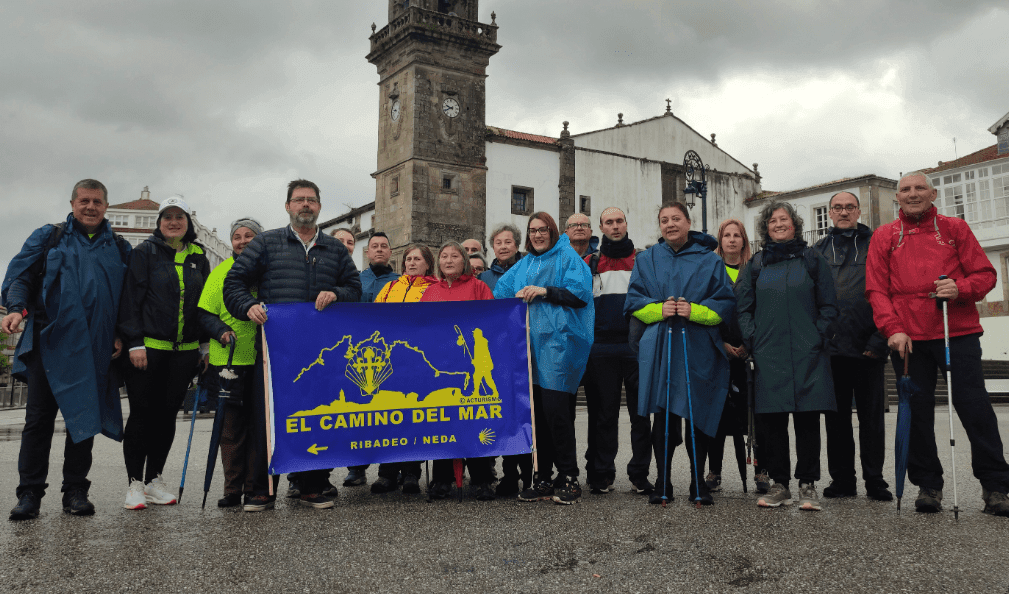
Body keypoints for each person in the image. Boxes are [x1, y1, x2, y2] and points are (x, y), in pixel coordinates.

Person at [866, 172, 1009, 516]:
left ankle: (996, 486)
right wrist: (892, 329)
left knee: (975, 408)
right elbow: (876, 289)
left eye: (919, 188)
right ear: (896, 198)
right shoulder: (885, 235)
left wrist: (961, 288)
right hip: (908, 338)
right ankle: (928, 484)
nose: (912, 194)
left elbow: (985, 274)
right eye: (905, 190)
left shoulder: (954, 229)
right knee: (916, 413)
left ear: (932, 194)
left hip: (955, 331)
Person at [224, 179, 362, 512]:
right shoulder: (267, 243)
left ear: (318, 206)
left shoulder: (333, 248)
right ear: (287, 206)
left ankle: (312, 486)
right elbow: (234, 283)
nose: (305, 205)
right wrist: (248, 306)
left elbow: (354, 288)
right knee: (266, 419)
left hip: (318, 353)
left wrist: (338, 294)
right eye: (298, 200)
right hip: (274, 351)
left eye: (311, 200)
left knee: (314, 418)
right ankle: (261, 490)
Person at [3, 179, 131, 520]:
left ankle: (75, 491)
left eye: (97, 202)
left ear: (107, 206)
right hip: (50, 342)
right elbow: (21, 277)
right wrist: (15, 307)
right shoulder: (49, 236)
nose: (91, 207)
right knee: (38, 421)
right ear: (73, 203)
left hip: (95, 346)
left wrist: (120, 332)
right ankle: (29, 494)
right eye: (84, 201)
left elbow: (129, 297)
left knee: (84, 419)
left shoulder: (119, 246)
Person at [624, 203, 735, 506]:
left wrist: (693, 311)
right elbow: (633, 301)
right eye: (664, 220)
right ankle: (663, 481)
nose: (670, 224)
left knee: (697, 415)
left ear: (688, 223)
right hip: (661, 345)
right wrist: (659, 310)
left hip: (697, 346)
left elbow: (725, 303)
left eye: (676, 219)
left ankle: (698, 481)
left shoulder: (710, 261)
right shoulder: (646, 259)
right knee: (663, 417)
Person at [735, 201, 837, 511]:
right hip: (769, 354)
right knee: (772, 422)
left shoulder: (812, 260)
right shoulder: (756, 264)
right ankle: (780, 484)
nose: (779, 224)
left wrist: (818, 336)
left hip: (808, 353)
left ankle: (808, 484)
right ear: (765, 228)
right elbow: (743, 308)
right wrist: (753, 340)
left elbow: (829, 305)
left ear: (794, 224)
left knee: (808, 418)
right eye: (773, 221)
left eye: (784, 219)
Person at [117, 196, 211, 510]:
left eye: (179, 217)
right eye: (167, 217)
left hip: (185, 353)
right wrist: (134, 342)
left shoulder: (199, 256)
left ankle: (155, 478)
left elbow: (205, 306)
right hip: (148, 349)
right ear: (159, 223)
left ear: (188, 222)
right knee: (142, 415)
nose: (173, 222)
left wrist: (205, 345)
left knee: (167, 416)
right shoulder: (144, 252)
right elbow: (130, 299)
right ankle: (135, 484)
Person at [494, 212, 593, 505]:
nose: (537, 235)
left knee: (557, 415)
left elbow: (580, 293)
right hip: (530, 350)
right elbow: (501, 291)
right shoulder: (525, 263)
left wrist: (546, 291)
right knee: (537, 419)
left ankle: (569, 477)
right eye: (532, 230)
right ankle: (543, 478)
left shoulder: (566, 256)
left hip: (558, 347)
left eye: (542, 230)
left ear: (552, 231)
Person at [813, 191, 892, 502]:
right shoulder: (818, 250)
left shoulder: (876, 244)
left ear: (859, 211)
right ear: (830, 213)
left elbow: (890, 291)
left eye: (849, 207)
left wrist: (880, 339)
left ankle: (875, 480)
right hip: (832, 351)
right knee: (836, 421)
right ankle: (842, 479)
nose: (843, 212)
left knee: (872, 420)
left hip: (869, 347)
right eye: (837, 208)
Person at [581, 207, 654, 496]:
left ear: (626, 223)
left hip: (636, 346)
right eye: (608, 222)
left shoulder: (643, 260)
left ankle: (639, 474)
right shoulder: (590, 262)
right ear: (601, 226)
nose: (614, 226)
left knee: (640, 415)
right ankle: (602, 474)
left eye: (619, 221)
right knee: (604, 415)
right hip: (601, 348)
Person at [420, 242, 497, 500]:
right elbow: (420, 328)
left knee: (474, 418)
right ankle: (442, 479)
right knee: (443, 420)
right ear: (438, 263)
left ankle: (483, 478)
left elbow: (492, 322)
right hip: (443, 365)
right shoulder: (430, 292)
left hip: (472, 363)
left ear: (464, 260)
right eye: (444, 256)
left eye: (455, 256)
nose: (449, 260)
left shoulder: (479, 287)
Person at [197, 217, 264, 508]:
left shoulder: (267, 271)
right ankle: (232, 488)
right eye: (237, 236)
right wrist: (220, 331)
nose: (243, 241)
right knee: (231, 428)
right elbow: (204, 314)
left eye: (249, 235)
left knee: (258, 426)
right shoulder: (221, 271)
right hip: (229, 360)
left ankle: (256, 488)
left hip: (263, 360)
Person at [369, 244, 436, 495]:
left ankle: (411, 472)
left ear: (427, 263)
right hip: (389, 360)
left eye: (417, 259)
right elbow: (374, 317)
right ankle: (386, 473)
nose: (411, 262)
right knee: (388, 415)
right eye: (408, 259)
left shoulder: (434, 288)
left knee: (414, 416)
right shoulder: (389, 288)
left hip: (418, 360)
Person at [704, 218, 755, 494]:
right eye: (727, 235)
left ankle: (761, 470)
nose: (732, 240)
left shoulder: (753, 271)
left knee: (754, 413)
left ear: (743, 241)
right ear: (720, 241)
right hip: (718, 350)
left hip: (749, 351)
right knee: (718, 413)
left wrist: (749, 343)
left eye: (737, 235)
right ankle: (715, 471)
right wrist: (720, 342)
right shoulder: (711, 271)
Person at [343, 231, 398, 487]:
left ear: (390, 252)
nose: (378, 250)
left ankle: (389, 471)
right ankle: (356, 468)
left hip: (389, 356)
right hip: (359, 355)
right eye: (374, 246)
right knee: (359, 413)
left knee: (391, 413)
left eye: (383, 246)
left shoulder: (399, 282)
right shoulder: (355, 281)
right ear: (367, 252)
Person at [480, 223, 523, 291]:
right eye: (498, 243)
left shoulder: (530, 272)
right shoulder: (483, 278)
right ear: (493, 248)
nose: (503, 247)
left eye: (508, 242)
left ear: (517, 246)